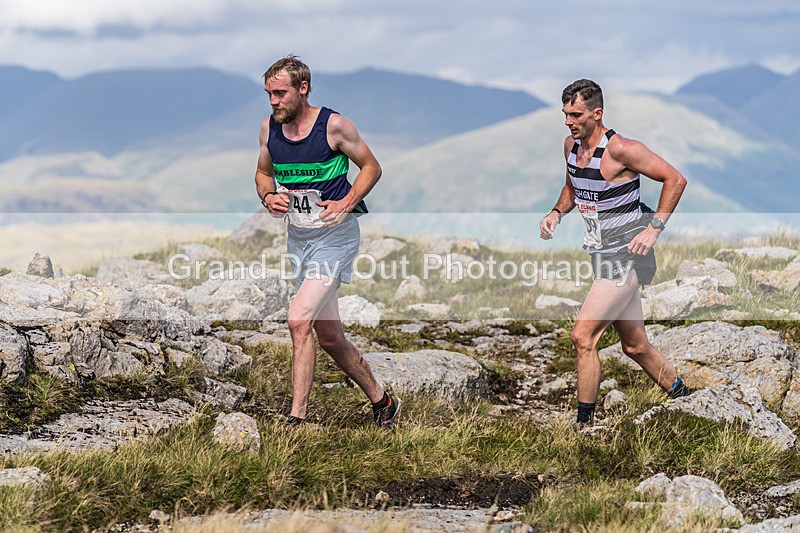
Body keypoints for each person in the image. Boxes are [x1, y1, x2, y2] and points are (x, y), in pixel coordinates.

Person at [254, 55, 399, 428]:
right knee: (331, 338)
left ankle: (296, 420)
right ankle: (383, 401)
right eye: (269, 93)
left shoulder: (334, 126)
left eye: (280, 93)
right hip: (299, 240)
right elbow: (262, 173)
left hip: (336, 239)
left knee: (298, 321)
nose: (273, 101)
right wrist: (269, 197)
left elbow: (372, 166)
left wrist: (348, 201)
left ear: (303, 89)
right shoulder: (269, 130)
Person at [539, 79, 691, 427]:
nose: (568, 121)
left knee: (583, 337)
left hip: (625, 256)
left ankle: (583, 427)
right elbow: (572, 188)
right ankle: (687, 399)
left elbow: (675, 179)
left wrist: (654, 229)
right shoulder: (570, 146)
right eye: (565, 114)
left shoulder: (621, 149)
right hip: (600, 252)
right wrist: (556, 213)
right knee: (635, 346)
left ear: (597, 113)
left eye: (576, 114)